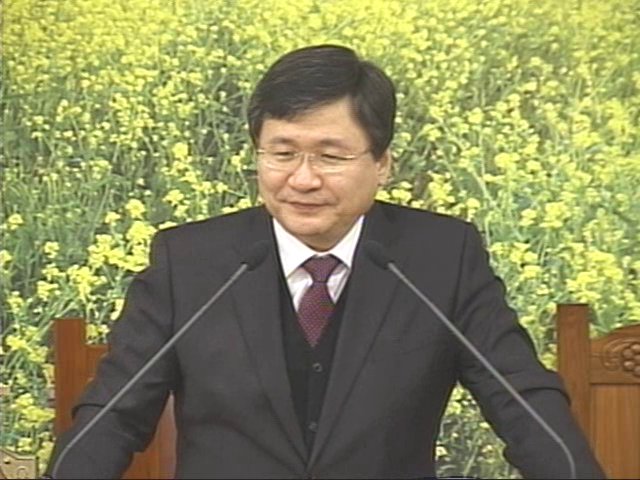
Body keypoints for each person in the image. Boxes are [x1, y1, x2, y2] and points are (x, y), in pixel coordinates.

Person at [46, 45, 605, 479]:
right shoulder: (191, 261)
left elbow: (521, 400)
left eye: (330, 156)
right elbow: (114, 415)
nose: (303, 179)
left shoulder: (440, 257)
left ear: (382, 163)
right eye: (282, 153)